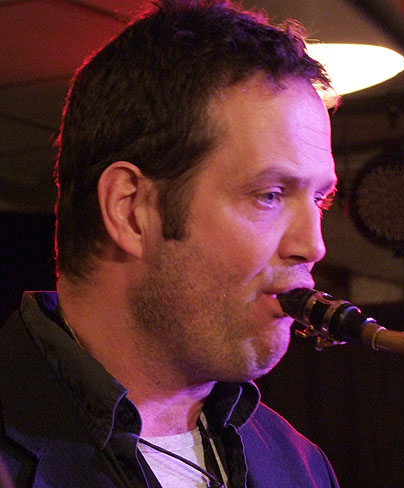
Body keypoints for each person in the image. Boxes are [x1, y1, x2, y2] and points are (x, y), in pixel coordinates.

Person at [0, 1, 340, 486]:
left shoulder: (302, 465)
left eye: (320, 200)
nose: (314, 245)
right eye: (269, 195)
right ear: (131, 210)